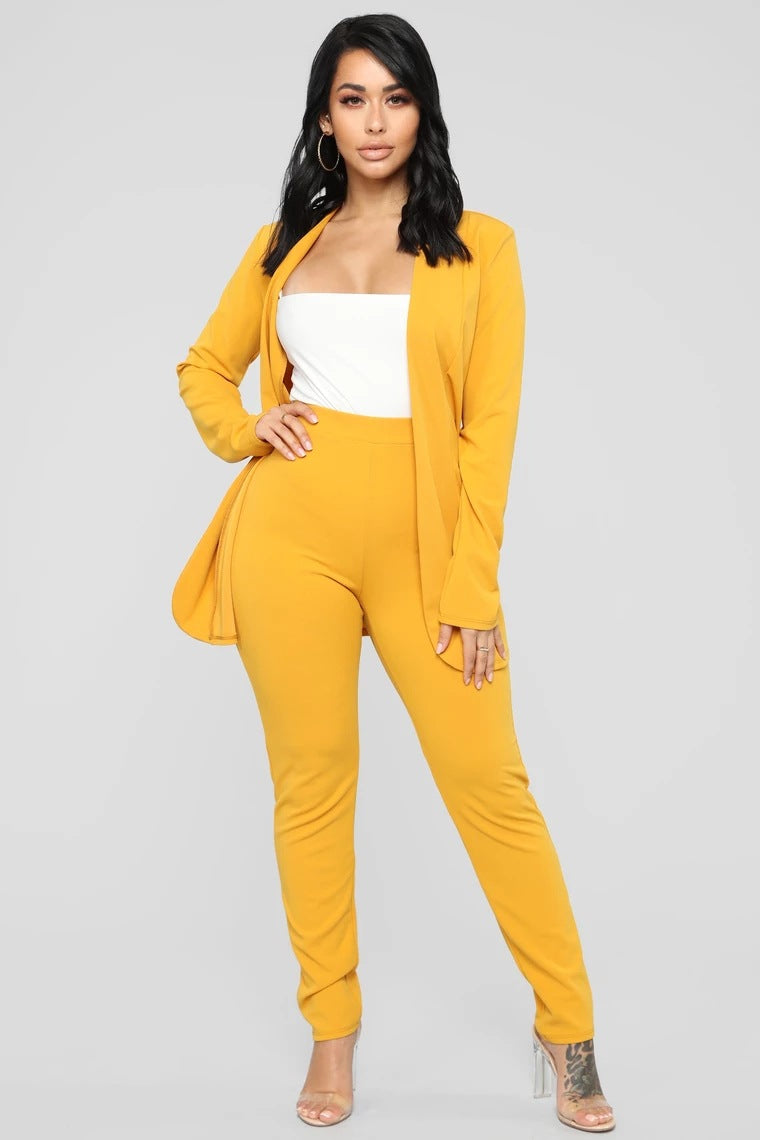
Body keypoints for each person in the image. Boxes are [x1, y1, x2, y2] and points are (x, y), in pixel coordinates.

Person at [172, 13, 616, 1133]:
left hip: (427, 546)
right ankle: (333, 1031)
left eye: (396, 97)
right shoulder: (282, 245)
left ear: (424, 112)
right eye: (353, 98)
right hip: (291, 537)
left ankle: (567, 1029)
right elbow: (205, 369)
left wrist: (473, 587)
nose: (375, 121)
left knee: (489, 784)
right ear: (324, 119)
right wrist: (246, 427)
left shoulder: (481, 247)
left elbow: (490, 432)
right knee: (311, 785)